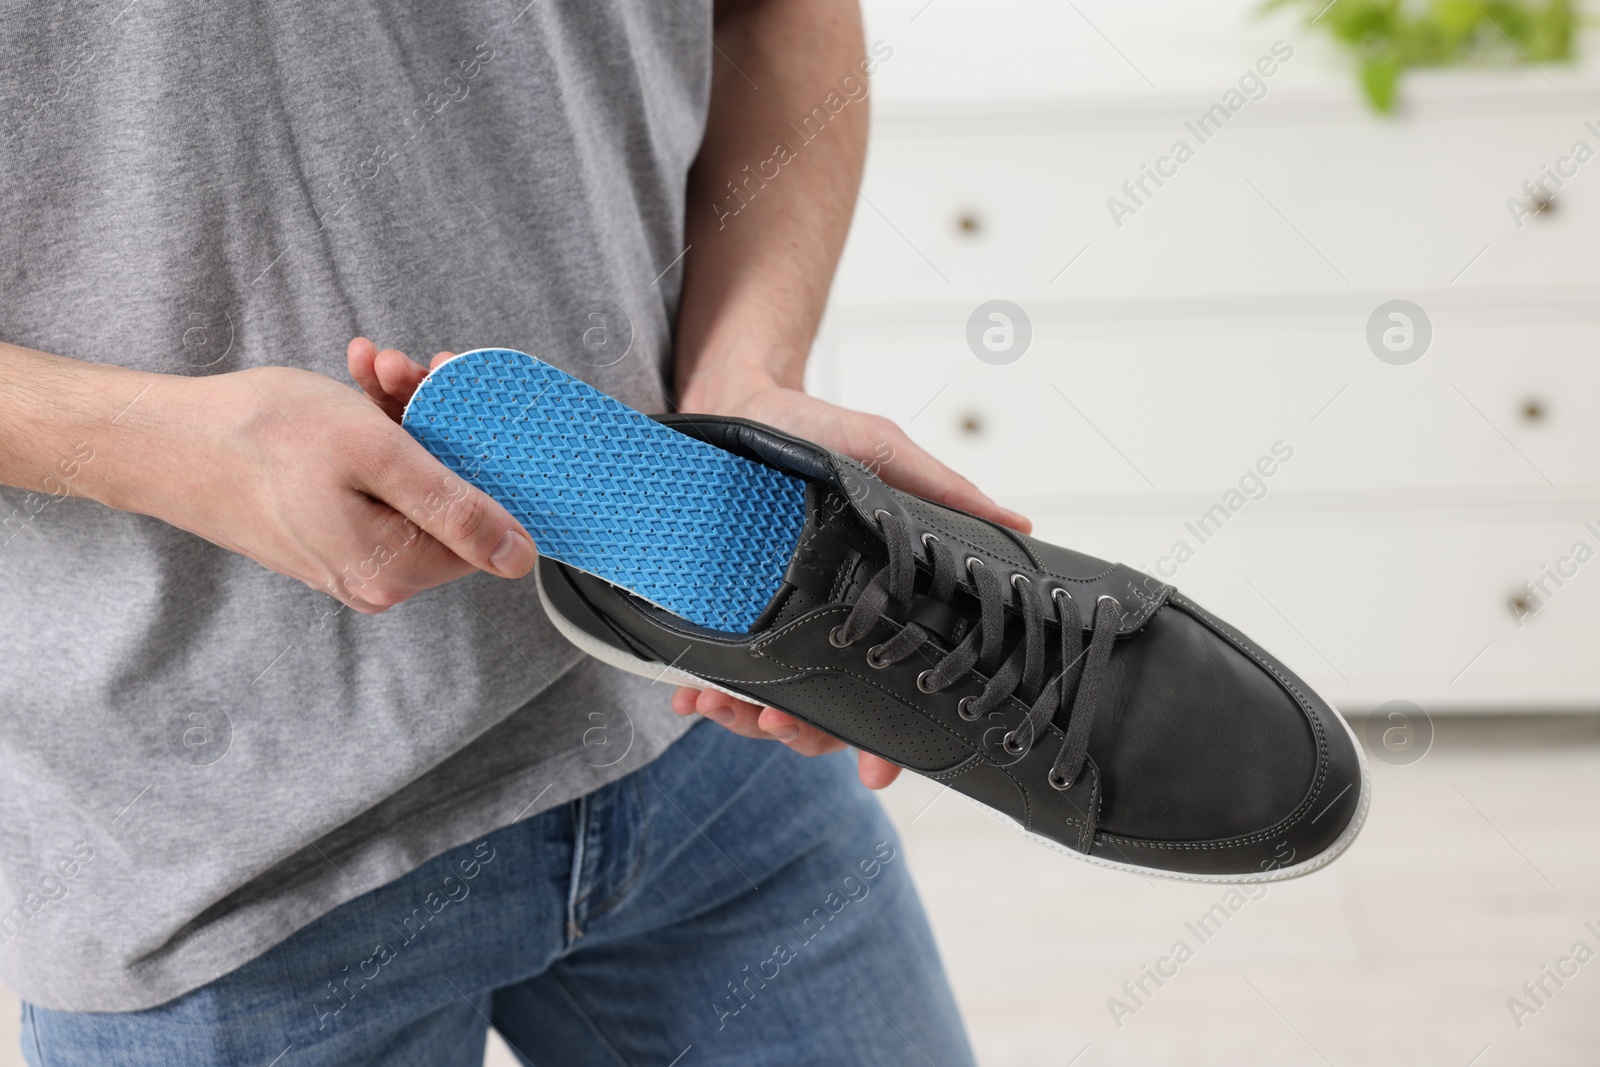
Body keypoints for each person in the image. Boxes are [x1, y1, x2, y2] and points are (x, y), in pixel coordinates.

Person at [0, 1, 1026, 1063]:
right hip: (220, 850)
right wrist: (161, 443)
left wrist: (745, 374)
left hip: (700, 711)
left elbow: (776, 15)